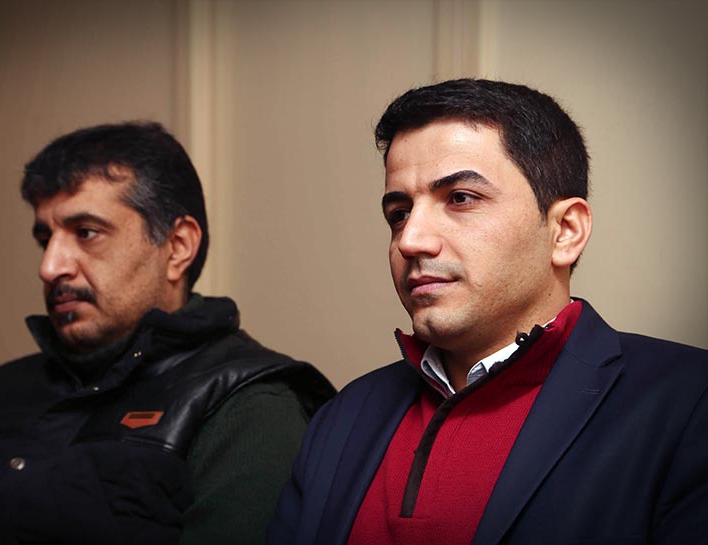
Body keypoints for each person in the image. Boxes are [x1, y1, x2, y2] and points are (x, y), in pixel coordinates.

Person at [268, 79, 708, 545]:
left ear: (565, 231)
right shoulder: (342, 417)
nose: (410, 240)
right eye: (399, 213)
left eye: (460, 198)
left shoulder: (689, 403)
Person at [0, 121, 336, 545]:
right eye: (45, 238)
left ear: (178, 247)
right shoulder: (0, 389)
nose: (49, 267)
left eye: (87, 233)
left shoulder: (250, 404)